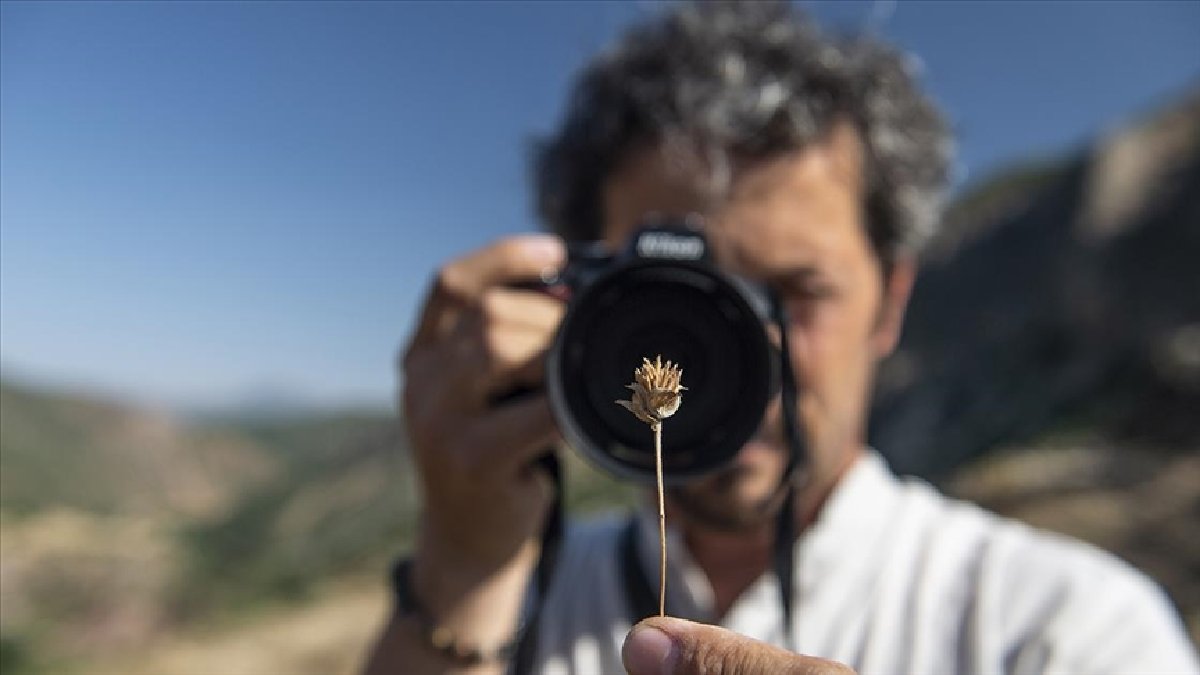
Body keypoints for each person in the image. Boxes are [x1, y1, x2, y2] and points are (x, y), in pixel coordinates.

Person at [363, 2, 1199, 674]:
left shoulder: (1066, 630)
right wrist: (463, 567)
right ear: (579, 308)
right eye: (672, 301)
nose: (737, 352)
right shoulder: (520, 588)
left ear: (889, 303)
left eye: (797, 291)